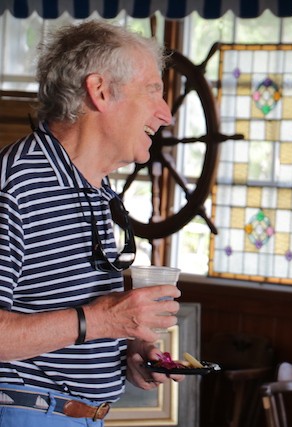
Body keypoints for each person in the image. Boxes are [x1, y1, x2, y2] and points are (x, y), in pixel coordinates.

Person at [0, 20, 183, 426]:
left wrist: (126, 349)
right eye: (152, 91)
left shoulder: (93, 188)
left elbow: (70, 317)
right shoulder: (16, 184)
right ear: (99, 91)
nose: (166, 115)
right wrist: (103, 319)